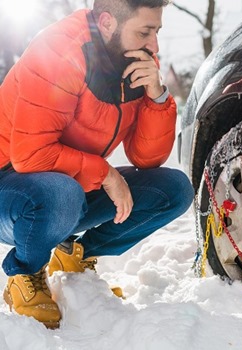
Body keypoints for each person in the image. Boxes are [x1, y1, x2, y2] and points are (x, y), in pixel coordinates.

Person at [0, 0, 194, 329]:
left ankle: (74, 254)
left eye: (157, 31)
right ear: (107, 23)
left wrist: (156, 96)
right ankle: (25, 271)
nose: (154, 45)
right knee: (62, 195)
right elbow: (31, 155)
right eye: (145, 32)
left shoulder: (135, 60)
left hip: (70, 183)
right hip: (14, 188)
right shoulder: (60, 52)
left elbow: (146, 159)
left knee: (173, 190)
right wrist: (105, 173)